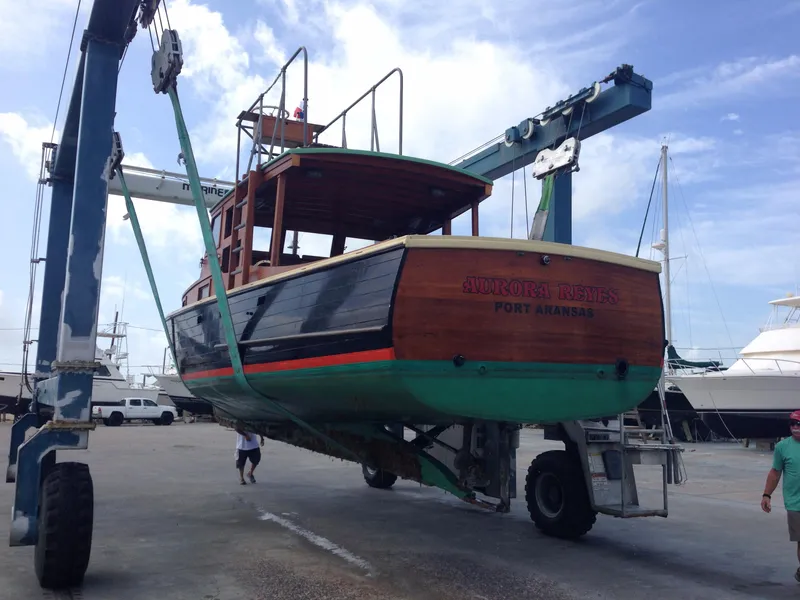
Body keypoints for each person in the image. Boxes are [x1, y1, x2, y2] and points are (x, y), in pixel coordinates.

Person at [762, 410, 800, 582]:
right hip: (795, 503)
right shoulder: (782, 447)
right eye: (793, 424)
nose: (796, 428)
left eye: (799, 424)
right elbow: (775, 473)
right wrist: (766, 495)